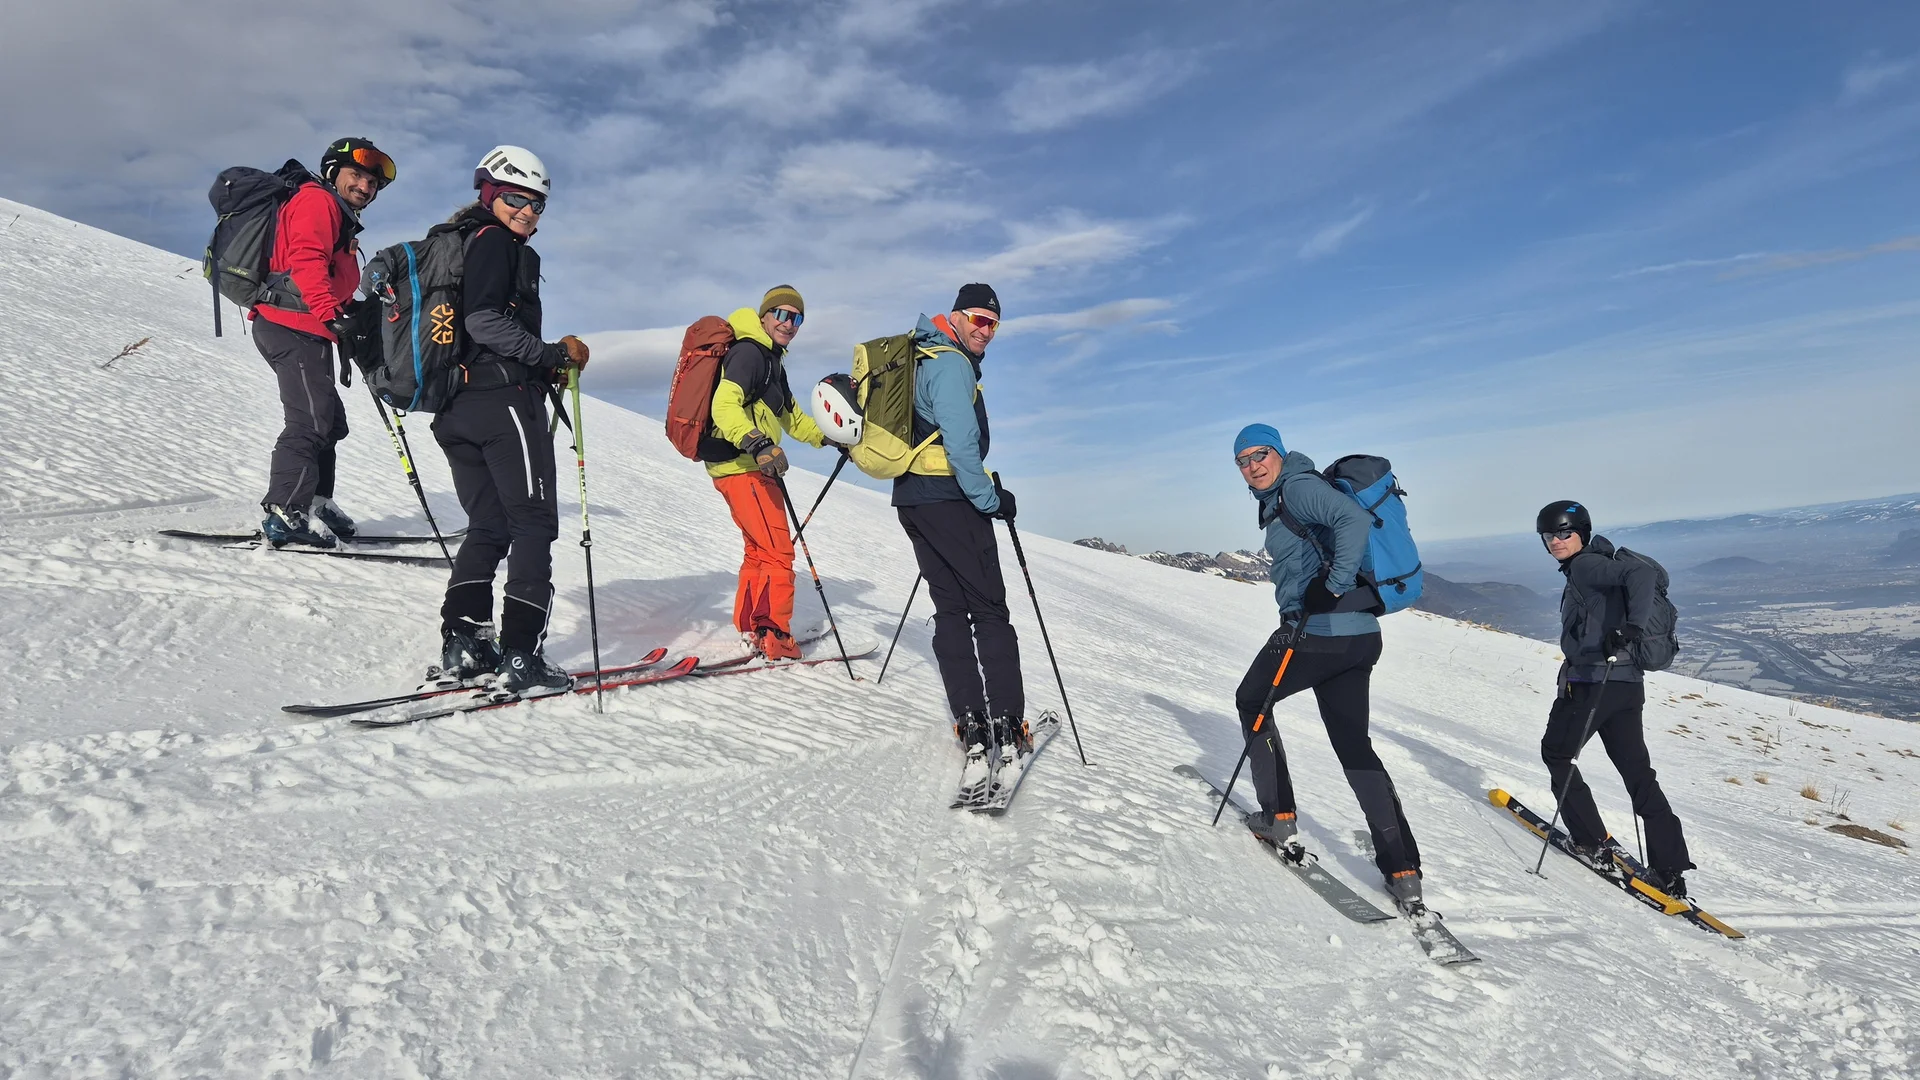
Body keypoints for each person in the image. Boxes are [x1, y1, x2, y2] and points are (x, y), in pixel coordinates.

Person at [1230, 423, 1428, 919]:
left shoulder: (1297, 488)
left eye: (1260, 454)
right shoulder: (1290, 490)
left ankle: (1277, 817)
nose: (1253, 465)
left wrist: (1332, 586)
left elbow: (1352, 523)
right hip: (1358, 638)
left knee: (1253, 700)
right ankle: (1402, 869)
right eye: (1243, 460)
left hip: (1321, 633)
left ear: (1278, 452)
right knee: (1353, 742)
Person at [431, 145, 591, 695]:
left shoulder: (463, 242)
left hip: (457, 410)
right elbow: (482, 322)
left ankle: (466, 642)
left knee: (489, 526)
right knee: (532, 525)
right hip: (501, 406)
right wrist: (549, 356)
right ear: (492, 194)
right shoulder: (498, 243)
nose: (529, 212)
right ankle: (521, 654)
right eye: (519, 198)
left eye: (538, 204)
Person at [893, 284, 1025, 781]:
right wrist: (991, 500)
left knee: (950, 609)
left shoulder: (920, 354)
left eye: (994, 324)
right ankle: (1006, 723)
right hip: (951, 499)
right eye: (979, 319)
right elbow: (962, 445)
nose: (986, 331)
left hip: (913, 499)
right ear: (956, 316)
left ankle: (970, 722)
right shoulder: (949, 364)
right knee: (989, 609)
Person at [1536, 500, 1694, 897]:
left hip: (1593, 683)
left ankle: (1590, 842)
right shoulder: (1592, 564)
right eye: (1548, 535)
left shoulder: (1586, 566)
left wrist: (1631, 628)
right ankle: (1669, 867)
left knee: (1558, 754)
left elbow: (1640, 572)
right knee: (1638, 774)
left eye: (1563, 533)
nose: (1555, 541)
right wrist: (1626, 632)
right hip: (1626, 685)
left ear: (1582, 533)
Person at [253, 137, 395, 548]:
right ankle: (286, 510)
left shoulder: (339, 214)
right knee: (310, 422)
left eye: (372, 183)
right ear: (333, 173)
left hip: (309, 327)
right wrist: (332, 313)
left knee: (330, 422)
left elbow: (332, 277)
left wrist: (351, 312)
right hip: (291, 325)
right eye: (357, 176)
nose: (366, 187)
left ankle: (316, 501)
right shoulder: (318, 202)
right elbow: (307, 262)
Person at [704, 286, 828, 661]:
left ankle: (752, 625)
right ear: (765, 315)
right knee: (777, 551)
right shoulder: (749, 353)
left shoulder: (773, 361)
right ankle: (774, 634)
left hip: (744, 466)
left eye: (798, 318)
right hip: (745, 466)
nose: (790, 324)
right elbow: (723, 405)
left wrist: (831, 439)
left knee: (759, 550)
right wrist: (757, 443)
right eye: (783, 314)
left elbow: (792, 418)